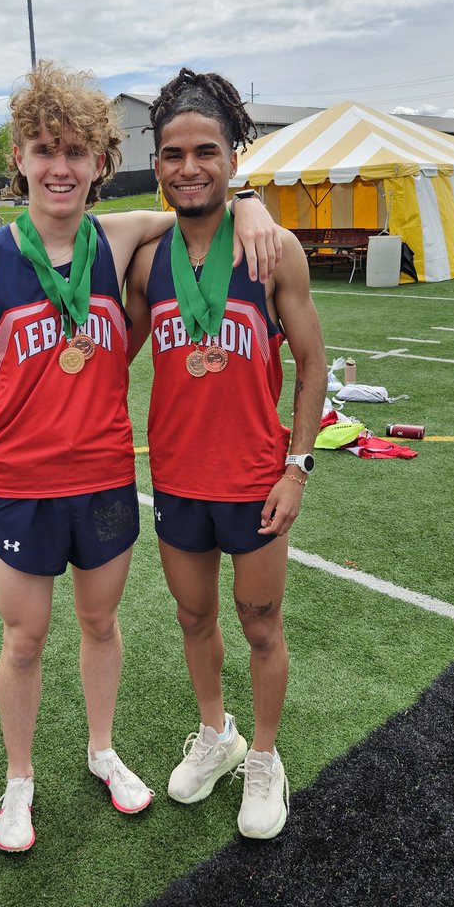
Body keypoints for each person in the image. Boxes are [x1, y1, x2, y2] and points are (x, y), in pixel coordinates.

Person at [0, 60, 280, 853]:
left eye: (77, 151)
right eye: (44, 149)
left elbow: (201, 210)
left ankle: (102, 751)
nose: (60, 166)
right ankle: (19, 783)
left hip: (109, 477)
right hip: (22, 485)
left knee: (101, 623)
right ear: (19, 156)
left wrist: (250, 203)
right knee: (23, 640)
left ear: (100, 165)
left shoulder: (120, 236)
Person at [125, 68, 328, 841]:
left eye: (206, 150)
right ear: (159, 161)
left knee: (262, 623)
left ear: (233, 155)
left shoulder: (273, 253)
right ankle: (219, 735)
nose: (188, 167)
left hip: (254, 481)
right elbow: (116, 355)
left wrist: (297, 465)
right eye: (173, 153)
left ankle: (265, 758)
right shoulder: (147, 260)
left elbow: (312, 366)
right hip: (178, 479)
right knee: (193, 616)